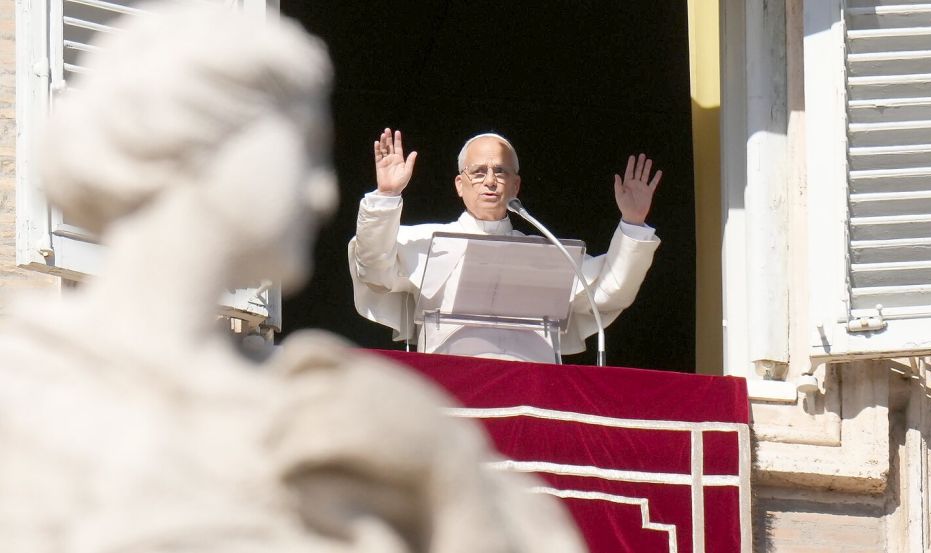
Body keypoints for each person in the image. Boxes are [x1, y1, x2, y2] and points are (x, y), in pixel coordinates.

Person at [0, 4, 585, 551]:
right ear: (199, 146)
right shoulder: (22, 378)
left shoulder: (329, 404)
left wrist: (448, 472)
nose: (321, 192)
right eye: (301, 150)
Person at [349, 128, 663, 361]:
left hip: (532, 397)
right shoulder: (424, 241)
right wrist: (387, 196)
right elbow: (375, 271)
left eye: (500, 171)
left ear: (515, 185)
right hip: (454, 395)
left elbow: (607, 293)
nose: (490, 181)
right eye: (478, 172)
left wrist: (633, 224)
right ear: (460, 184)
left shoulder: (546, 252)